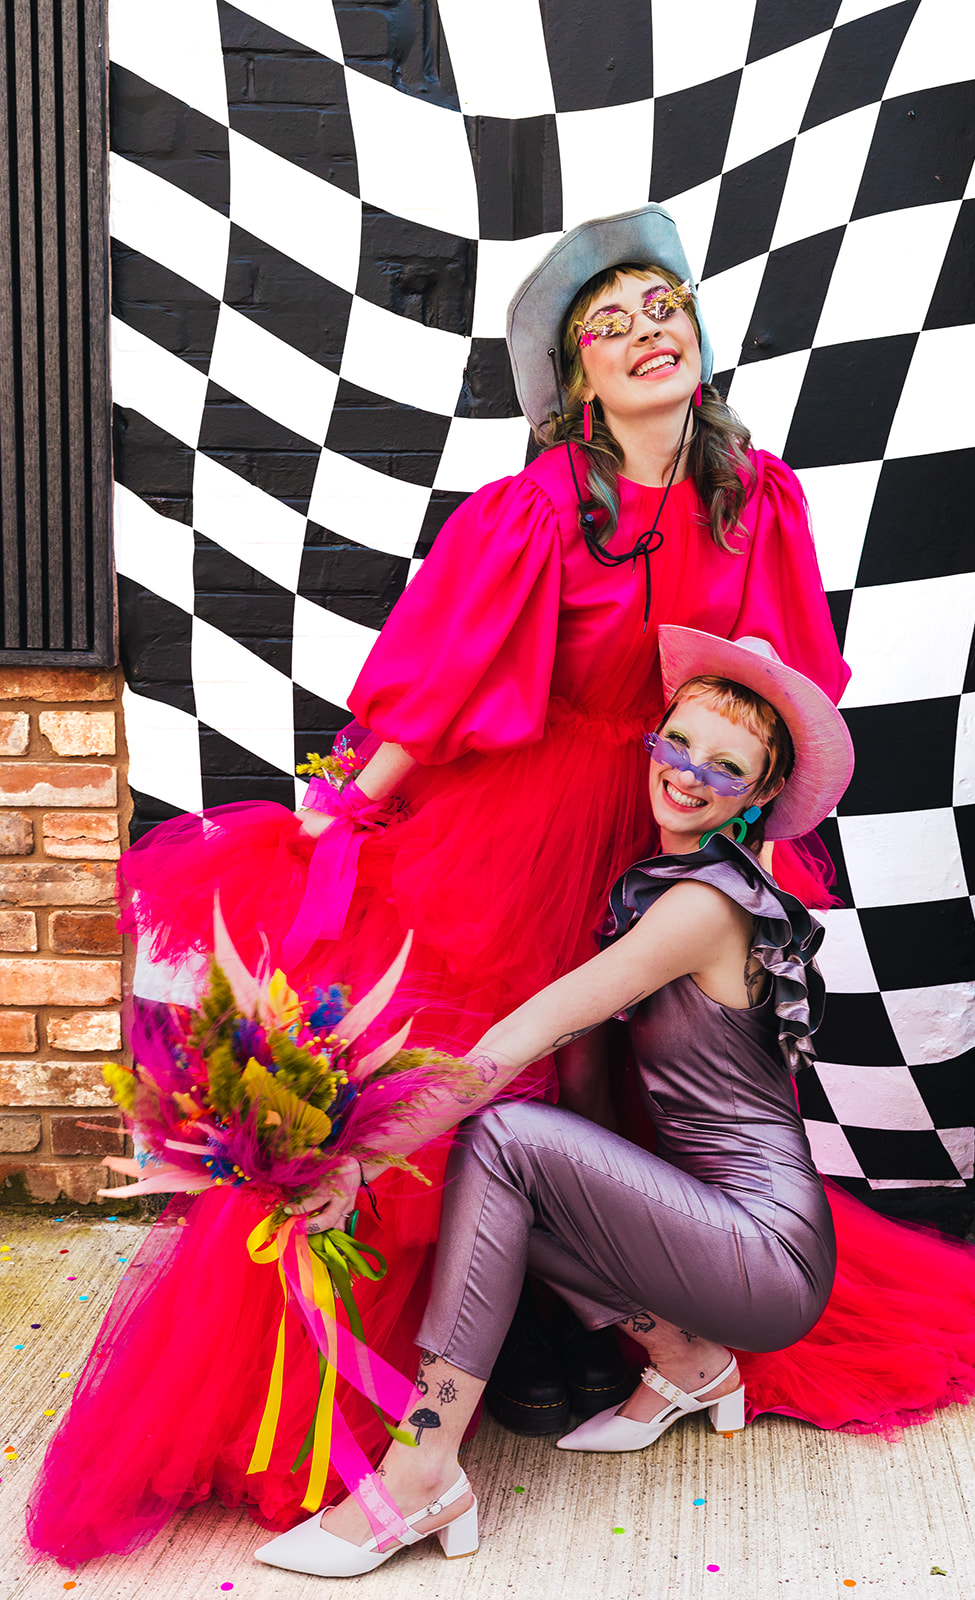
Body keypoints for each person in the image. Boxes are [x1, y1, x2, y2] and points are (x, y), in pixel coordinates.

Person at [114, 203, 849, 1464]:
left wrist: (760, 857)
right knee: (503, 1063)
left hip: (675, 815)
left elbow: (779, 687)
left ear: (696, 333)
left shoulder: (759, 499)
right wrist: (347, 805)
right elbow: (447, 677)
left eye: (658, 307)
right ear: (577, 380)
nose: (641, 334)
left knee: (628, 1083)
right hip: (530, 820)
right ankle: (522, 1342)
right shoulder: (537, 506)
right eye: (605, 326)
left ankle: (625, 1336)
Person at [248, 629, 851, 1576]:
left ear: (760, 796)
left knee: (498, 1137)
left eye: (725, 769)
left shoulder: (700, 907)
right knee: (510, 1186)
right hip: (724, 1232)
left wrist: (360, 1155)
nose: (689, 776)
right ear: (652, 741)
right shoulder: (661, 886)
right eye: (678, 745)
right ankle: (694, 1367)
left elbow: (505, 1051)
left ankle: (423, 1471)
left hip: (765, 1252)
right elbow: (583, 1075)